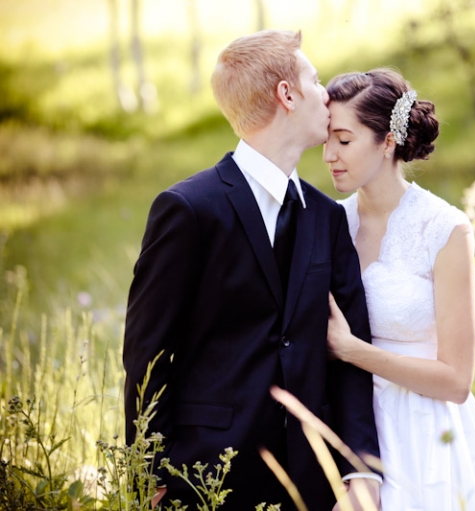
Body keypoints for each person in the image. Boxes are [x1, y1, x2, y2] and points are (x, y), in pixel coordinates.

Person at [123, 30, 381, 511]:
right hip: (205, 474)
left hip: (313, 476)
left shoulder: (328, 217)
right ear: (287, 94)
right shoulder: (188, 210)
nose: (326, 93)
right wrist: (149, 474)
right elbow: (146, 354)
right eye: (314, 78)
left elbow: (350, 355)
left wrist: (360, 468)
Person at [323, 69, 475, 510]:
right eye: (325, 139)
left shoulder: (444, 229)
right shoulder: (328, 224)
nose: (328, 154)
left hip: (426, 433)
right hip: (350, 428)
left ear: (387, 142)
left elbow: (457, 381)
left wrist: (351, 350)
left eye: (343, 141)